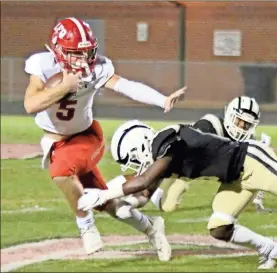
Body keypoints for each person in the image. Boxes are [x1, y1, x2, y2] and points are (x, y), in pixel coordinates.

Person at [78, 120, 277, 269]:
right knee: (219, 226)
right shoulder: (161, 159)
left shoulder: (167, 141)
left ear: (138, 146)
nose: (134, 165)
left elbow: (142, 178)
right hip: (234, 178)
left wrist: (107, 191)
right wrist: (114, 202)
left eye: (132, 159)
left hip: (253, 160)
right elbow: (144, 191)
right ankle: (273, 249)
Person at [23, 17, 186, 260]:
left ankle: (86, 227)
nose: (82, 60)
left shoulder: (97, 68)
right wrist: (64, 86)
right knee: (111, 206)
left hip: (86, 137)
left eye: (86, 53)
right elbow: (30, 104)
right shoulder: (42, 64)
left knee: (60, 171)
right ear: (58, 51)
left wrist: (161, 100)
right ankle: (152, 227)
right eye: (74, 54)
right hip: (56, 142)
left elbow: (126, 86)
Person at [106, 96, 276, 214]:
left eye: (247, 124)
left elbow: (257, 170)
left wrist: (256, 197)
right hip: (178, 163)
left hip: (192, 169)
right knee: (161, 200)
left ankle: (108, 197)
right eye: (239, 121)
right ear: (230, 114)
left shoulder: (248, 141)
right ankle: (107, 195)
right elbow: (189, 150)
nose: (242, 127)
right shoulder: (211, 126)